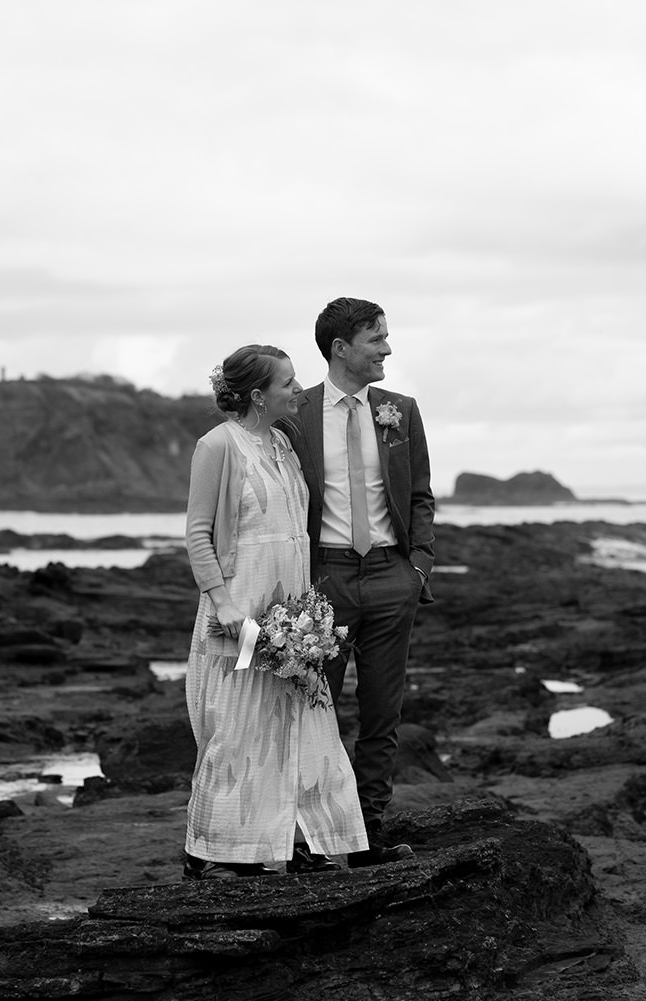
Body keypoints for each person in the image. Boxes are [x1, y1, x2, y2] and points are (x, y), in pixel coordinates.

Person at [181, 344, 370, 880]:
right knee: (238, 727)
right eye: (287, 381)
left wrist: (307, 615)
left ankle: (306, 844)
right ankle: (211, 854)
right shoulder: (218, 445)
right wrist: (224, 605)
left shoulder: (285, 444)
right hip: (239, 618)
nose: (297, 388)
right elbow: (198, 533)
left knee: (305, 724)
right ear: (258, 394)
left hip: (292, 619)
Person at [275, 297, 435, 868]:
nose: (387, 348)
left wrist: (417, 566)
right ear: (341, 349)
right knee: (312, 713)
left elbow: (419, 495)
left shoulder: (401, 410)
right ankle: (314, 837)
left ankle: (367, 834)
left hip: (393, 578)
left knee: (381, 716)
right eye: (377, 339)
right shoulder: (296, 414)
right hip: (325, 582)